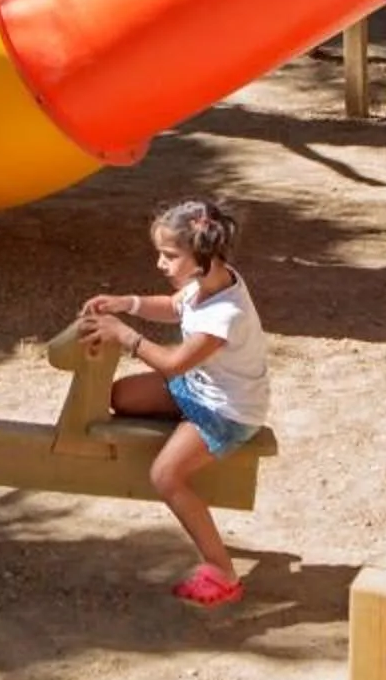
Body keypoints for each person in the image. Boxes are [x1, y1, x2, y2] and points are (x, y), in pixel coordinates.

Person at [77, 198, 271, 608]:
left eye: (169, 256)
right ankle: (185, 438)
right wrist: (125, 304)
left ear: (201, 256)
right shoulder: (208, 283)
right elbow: (171, 306)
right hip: (198, 386)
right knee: (120, 397)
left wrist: (124, 334)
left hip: (226, 411)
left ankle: (221, 570)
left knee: (165, 475)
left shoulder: (224, 314)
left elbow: (172, 363)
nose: (161, 265)